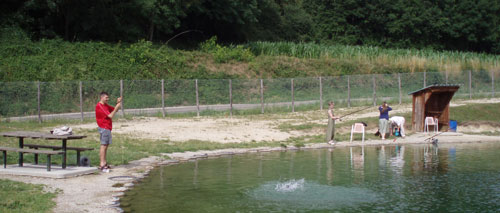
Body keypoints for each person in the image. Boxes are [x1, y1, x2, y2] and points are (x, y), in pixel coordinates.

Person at [95, 92, 122, 172]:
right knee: (103, 145)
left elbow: (114, 110)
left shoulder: (105, 105)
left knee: (106, 145)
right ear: (102, 97)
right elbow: (110, 115)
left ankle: (104, 163)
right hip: (104, 128)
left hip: (107, 128)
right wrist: (117, 107)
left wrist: (118, 103)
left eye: (108, 97)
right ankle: (102, 165)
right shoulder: (100, 106)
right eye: (106, 98)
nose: (107, 99)